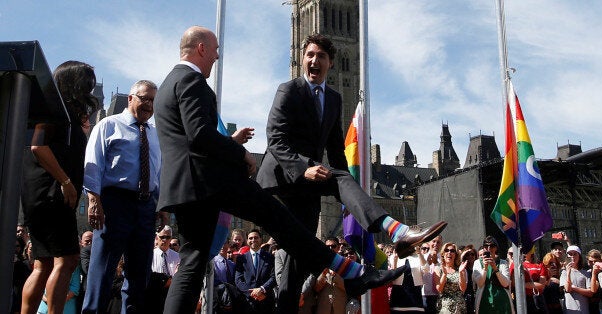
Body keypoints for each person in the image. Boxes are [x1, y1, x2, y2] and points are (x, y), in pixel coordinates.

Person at [153, 26, 406, 314]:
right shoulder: (192, 81)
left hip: (183, 189)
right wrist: (240, 153)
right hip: (208, 183)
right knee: (278, 218)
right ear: (201, 49)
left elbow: (188, 138)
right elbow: (200, 134)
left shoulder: (168, 84)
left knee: (191, 266)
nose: (217, 57)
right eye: (215, 50)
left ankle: (351, 271)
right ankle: (350, 271)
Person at [256, 32, 447, 313]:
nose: (314, 60)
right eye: (309, 55)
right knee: (298, 254)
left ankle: (398, 231)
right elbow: (275, 139)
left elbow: (336, 152)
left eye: (321, 56)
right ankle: (367, 263)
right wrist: (304, 169)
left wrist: (351, 197)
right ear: (301, 58)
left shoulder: (332, 99)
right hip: (282, 182)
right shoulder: (289, 90)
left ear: (331, 63)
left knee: (296, 268)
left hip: (309, 187)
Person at [20, 60, 98, 313]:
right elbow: (38, 146)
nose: (89, 89)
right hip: (52, 194)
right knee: (67, 259)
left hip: (45, 194)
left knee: (43, 263)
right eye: (86, 83)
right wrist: (66, 182)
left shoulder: (62, 112)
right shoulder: (54, 107)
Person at [82, 80, 161, 313]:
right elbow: (93, 165)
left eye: (153, 100)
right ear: (130, 98)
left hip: (146, 206)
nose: (149, 104)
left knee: (139, 273)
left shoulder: (155, 135)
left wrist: (162, 206)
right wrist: (94, 201)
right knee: (102, 269)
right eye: (144, 98)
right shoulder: (108, 125)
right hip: (114, 204)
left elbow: (159, 171)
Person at [234, 230, 276, 313]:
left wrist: (262, 289)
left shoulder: (270, 257)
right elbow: (238, 280)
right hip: (248, 303)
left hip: (265, 300)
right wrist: (252, 294)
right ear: (247, 240)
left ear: (261, 239)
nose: (253, 240)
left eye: (256, 238)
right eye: (250, 238)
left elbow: (274, 276)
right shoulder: (241, 259)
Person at [472, 236, 513, 313]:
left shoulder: (503, 263)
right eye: (486, 246)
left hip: (502, 303)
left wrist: (495, 268)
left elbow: (506, 283)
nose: (489, 248)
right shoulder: (477, 263)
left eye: (492, 246)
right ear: (483, 248)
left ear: (496, 248)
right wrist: (485, 268)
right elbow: (480, 283)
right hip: (484, 302)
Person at [389, 245, 427, 313]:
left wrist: (419, 253)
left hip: (415, 298)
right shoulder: (394, 256)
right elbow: (392, 276)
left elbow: (426, 269)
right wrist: (395, 260)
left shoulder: (418, 257)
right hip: (398, 298)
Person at [560, 246, 593, 313]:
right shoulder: (564, 272)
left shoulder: (586, 273)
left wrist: (574, 288)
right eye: (570, 254)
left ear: (579, 256)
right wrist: (568, 273)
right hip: (569, 311)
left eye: (575, 254)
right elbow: (568, 289)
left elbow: (590, 293)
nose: (572, 256)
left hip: (583, 311)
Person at [436, 243, 467, 313]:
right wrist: (444, 274)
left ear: (455, 255)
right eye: (446, 250)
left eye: (452, 251)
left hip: (459, 307)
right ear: (443, 254)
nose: (449, 252)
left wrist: (461, 272)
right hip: (444, 308)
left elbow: (463, 289)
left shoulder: (460, 269)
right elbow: (439, 289)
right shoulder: (438, 269)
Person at [460, 245, 477, 314]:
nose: (470, 256)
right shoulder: (463, 269)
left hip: (476, 296)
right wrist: (462, 255)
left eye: (472, 254)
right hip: (466, 296)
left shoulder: (478, 267)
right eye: (467, 254)